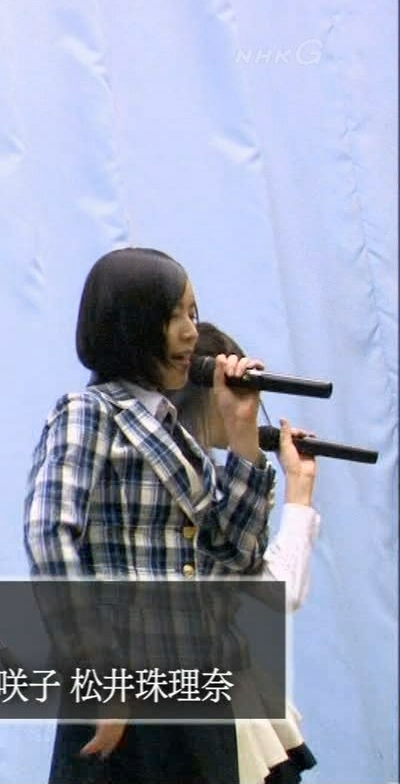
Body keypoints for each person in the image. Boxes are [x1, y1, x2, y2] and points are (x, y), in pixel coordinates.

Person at [24, 246, 277, 784]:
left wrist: (242, 438)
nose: (191, 332)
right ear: (131, 324)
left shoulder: (177, 434)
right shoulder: (89, 411)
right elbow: (50, 536)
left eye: (193, 313)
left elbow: (237, 555)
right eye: (174, 315)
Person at [170, 322, 320, 784]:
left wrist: (298, 489)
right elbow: (275, 592)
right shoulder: (189, 487)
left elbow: (273, 590)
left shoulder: (221, 480)